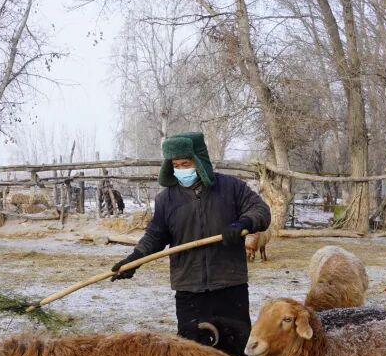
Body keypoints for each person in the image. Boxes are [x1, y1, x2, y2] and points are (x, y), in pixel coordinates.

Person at [110, 132, 270, 342]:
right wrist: (134, 259)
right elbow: (155, 235)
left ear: (200, 161)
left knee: (235, 349)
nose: (181, 170)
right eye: (176, 165)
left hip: (229, 285)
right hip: (189, 290)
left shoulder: (231, 187)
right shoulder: (166, 199)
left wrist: (243, 223)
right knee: (193, 353)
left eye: (186, 164)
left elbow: (260, 210)